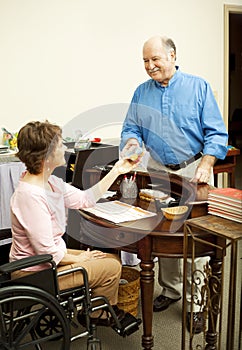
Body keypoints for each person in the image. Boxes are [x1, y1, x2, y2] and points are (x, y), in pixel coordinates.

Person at [120, 35, 228, 333]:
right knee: (164, 232)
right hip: (156, 170)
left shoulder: (198, 87)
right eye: (145, 60)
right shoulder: (141, 92)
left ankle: (196, 302)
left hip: (193, 168)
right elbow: (131, 127)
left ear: (172, 55)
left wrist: (207, 164)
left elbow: (217, 134)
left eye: (155, 59)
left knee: (195, 236)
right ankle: (171, 289)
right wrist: (131, 141)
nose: (150, 65)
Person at [10, 120, 140, 326]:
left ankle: (96, 309)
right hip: (36, 274)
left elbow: (84, 200)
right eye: (60, 145)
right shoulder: (30, 195)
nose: (65, 148)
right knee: (112, 267)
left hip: (49, 262)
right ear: (46, 155)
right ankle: (97, 314)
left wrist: (116, 170)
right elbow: (47, 253)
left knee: (110, 259)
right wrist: (80, 260)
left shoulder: (51, 182)